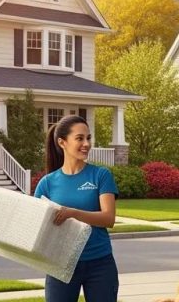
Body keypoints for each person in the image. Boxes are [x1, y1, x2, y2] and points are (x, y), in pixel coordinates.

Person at [33, 115, 119, 302]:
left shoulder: (100, 175)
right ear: (62, 142)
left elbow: (108, 218)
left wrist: (72, 213)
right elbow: (37, 227)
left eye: (88, 138)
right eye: (80, 138)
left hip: (100, 263)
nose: (86, 143)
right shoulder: (47, 184)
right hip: (60, 264)